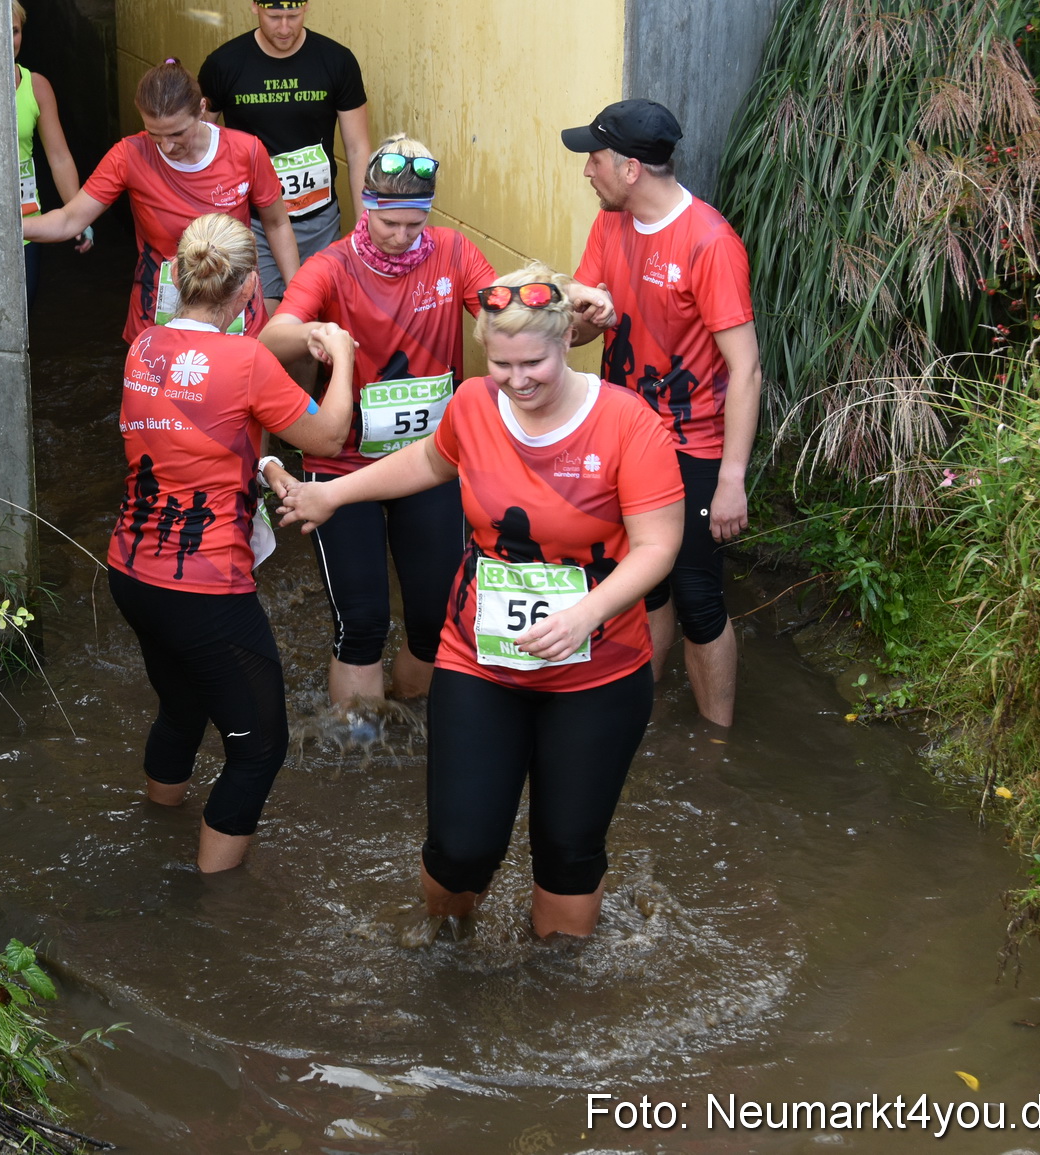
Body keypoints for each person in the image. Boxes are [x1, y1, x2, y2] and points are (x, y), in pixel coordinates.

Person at [280, 268, 683, 941]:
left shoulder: (624, 422)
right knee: (460, 847)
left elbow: (658, 545)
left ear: (567, 343)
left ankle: (556, 994)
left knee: (567, 852)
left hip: (598, 671)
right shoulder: (473, 403)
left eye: (535, 363)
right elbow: (432, 462)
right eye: (501, 363)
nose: (518, 379)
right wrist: (335, 494)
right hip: (479, 663)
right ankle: (446, 948)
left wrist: (585, 612)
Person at [259, 135, 615, 709]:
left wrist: (577, 306)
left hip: (428, 463)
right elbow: (271, 338)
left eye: (414, 223)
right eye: (388, 223)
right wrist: (314, 335)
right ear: (367, 208)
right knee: (363, 624)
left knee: (432, 620)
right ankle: (361, 757)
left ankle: (405, 723)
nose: (401, 237)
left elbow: (511, 311)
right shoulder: (332, 266)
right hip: (343, 465)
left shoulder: (451, 252)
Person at [107, 212, 357, 872]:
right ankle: (208, 899)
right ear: (249, 290)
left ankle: (157, 824)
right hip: (203, 585)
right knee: (259, 750)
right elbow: (329, 436)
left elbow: (191, 440)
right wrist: (345, 358)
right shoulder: (246, 360)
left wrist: (266, 466)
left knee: (183, 706)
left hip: (132, 569)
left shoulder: (144, 348)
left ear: (179, 276)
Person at [561, 99, 761, 728]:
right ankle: (639, 711)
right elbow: (576, 334)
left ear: (629, 170)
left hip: (695, 445)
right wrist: (582, 318)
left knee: (699, 595)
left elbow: (747, 369)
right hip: (625, 434)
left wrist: (732, 479)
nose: (585, 171)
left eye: (593, 159)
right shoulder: (609, 225)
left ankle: (717, 744)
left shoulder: (709, 243)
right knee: (642, 578)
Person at [24, 60, 300, 342]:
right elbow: (70, 219)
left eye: (177, 133)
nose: (167, 147)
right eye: (154, 134)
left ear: (202, 109)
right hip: (157, 313)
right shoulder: (129, 155)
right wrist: (12, 227)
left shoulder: (246, 150)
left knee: (237, 381)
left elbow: (277, 224)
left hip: (235, 308)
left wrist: (297, 299)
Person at [198, 1, 370, 313]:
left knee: (310, 317)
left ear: (306, 6)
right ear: (254, 7)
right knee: (267, 316)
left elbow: (358, 150)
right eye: (274, 17)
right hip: (254, 221)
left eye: (294, 16)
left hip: (317, 219)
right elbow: (199, 144)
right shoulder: (223, 64)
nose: (285, 28)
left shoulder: (337, 61)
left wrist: (364, 231)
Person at [13, 1, 93, 313]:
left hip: (27, 228)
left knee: (23, 318)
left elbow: (58, 157)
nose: (9, 41)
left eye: (15, 31)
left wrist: (77, 213)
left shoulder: (36, 86)